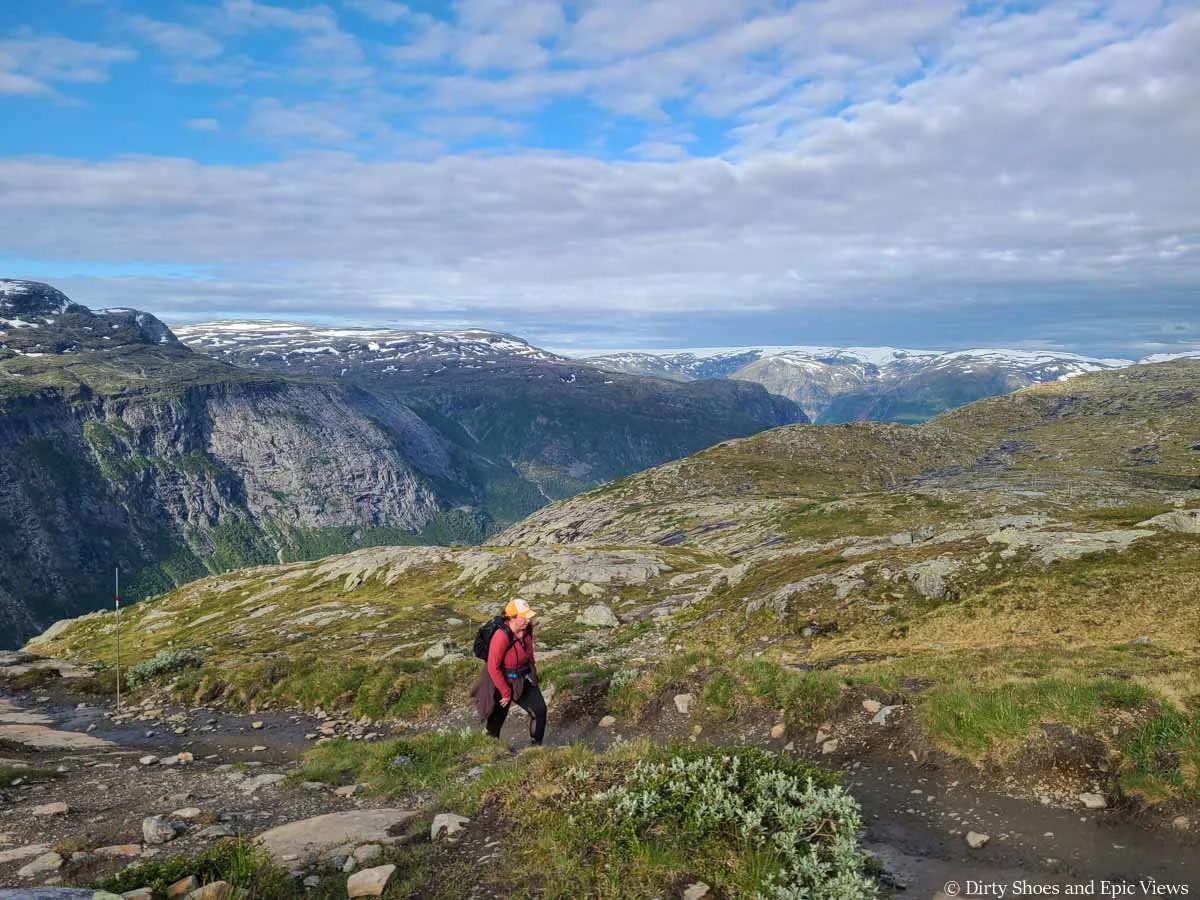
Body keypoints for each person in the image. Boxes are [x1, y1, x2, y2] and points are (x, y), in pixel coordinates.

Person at [471, 598, 546, 747]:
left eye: (528, 617)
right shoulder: (501, 636)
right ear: (512, 617)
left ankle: (536, 749)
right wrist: (505, 692)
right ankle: (490, 750)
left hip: (522, 676)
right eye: (523, 617)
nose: (528, 620)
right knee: (497, 718)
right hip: (499, 680)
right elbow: (493, 667)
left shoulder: (527, 630)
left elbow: (529, 653)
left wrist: (533, 673)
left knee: (540, 711)